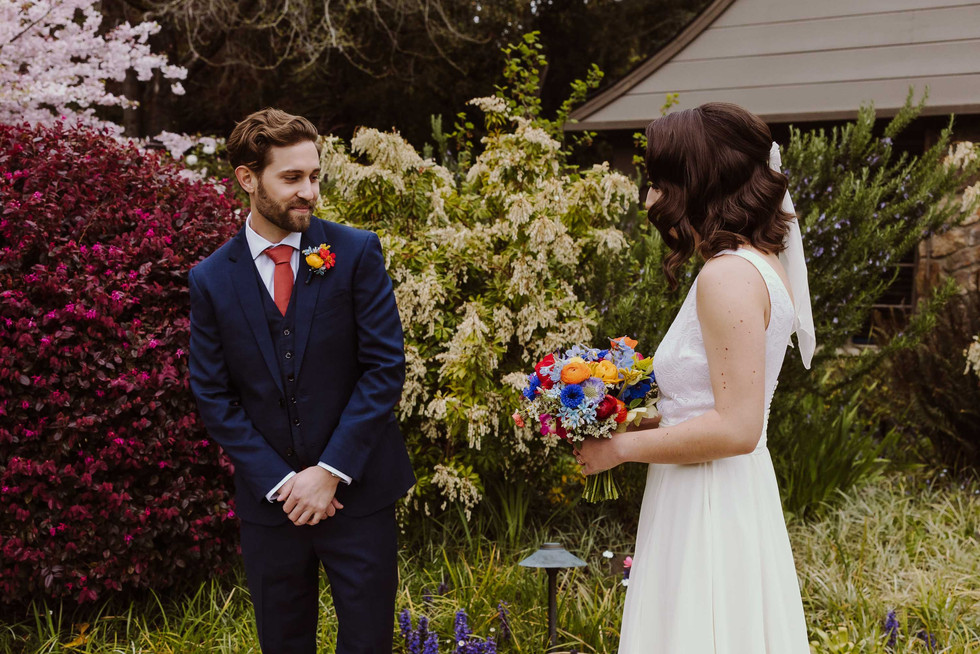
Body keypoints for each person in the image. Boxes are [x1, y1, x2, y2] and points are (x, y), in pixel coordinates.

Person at [577, 102, 815, 653]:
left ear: (697, 181)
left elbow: (736, 427)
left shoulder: (727, 276)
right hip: (716, 489)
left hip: (709, 499)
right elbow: (715, 398)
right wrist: (628, 416)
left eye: (661, 181)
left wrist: (619, 450)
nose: (651, 198)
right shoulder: (754, 261)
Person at [188, 108, 415, 654]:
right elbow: (213, 395)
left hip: (357, 498)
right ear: (248, 178)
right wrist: (284, 483)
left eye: (314, 176)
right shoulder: (211, 279)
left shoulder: (356, 252)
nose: (308, 192)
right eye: (291, 178)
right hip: (271, 508)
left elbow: (384, 367)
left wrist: (330, 472)